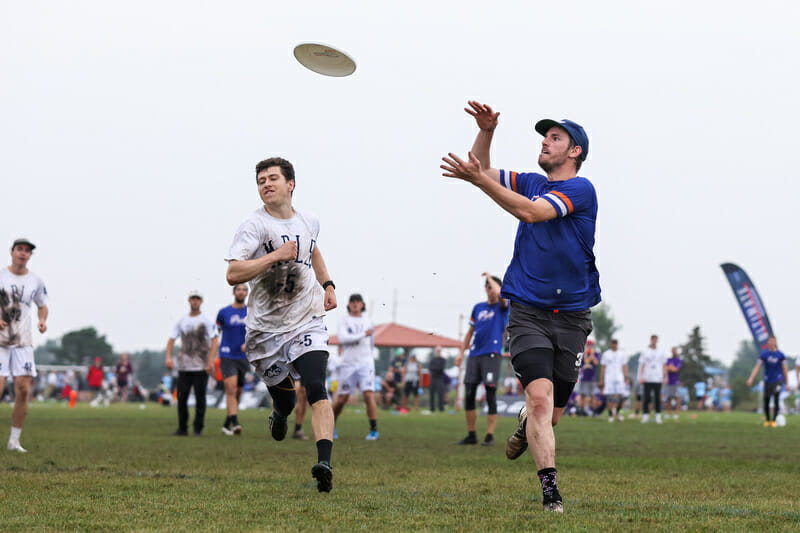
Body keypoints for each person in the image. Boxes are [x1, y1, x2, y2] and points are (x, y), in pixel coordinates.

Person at [442, 101, 598, 512]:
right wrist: (486, 132)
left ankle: (527, 427)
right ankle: (551, 494)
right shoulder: (530, 180)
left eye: (555, 138)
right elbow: (484, 169)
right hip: (527, 309)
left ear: (574, 152)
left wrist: (480, 180)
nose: (545, 142)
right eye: (545, 137)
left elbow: (530, 213)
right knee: (542, 400)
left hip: (573, 316)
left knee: (552, 411)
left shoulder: (580, 190)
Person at [225, 156, 337, 492]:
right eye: (261, 181)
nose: (266, 184)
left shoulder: (309, 221)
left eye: (273, 178)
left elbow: (312, 249)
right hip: (265, 332)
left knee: (317, 387)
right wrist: (274, 255)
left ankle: (324, 462)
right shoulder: (253, 226)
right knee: (287, 400)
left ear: (290, 184)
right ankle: (280, 412)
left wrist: (328, 284)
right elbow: (233, 273)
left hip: (306, 320)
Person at [0, 238, 49, 453]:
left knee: (22, 389)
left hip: (23, 342)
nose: (23, 253)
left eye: (27, 251)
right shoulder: (1, 276)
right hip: (1, 340)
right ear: (12, 252)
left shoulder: (35, 281)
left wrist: (42, 320)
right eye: (20, 249)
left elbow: (43, 305)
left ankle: (14, 440)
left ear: (30, 256)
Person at [455, 273, 509, 446]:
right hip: (475, 355)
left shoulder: (502, 308)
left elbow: (501, 295)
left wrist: (490, 277)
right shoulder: (478, 308)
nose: (491, 291)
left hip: (492, 354)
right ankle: (471, 434)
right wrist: (461, 353)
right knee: (469, 393)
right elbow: (470, 333)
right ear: (485, 289)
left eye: (493, 287)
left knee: (490, 392)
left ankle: (489, 435)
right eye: (489, 287)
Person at [165, 290, 218, 436]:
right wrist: (169, 357)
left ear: (201, 301)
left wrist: (210, 361)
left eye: (197, 299)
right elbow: (171, 338)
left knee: (200, 398)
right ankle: (182, 428)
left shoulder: (207, 320)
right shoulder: (182, 321)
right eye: (193, 299)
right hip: (184, 367)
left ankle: (198, 428)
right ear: (189, 301)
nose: (195, 301)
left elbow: (215, 340)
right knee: (182, 398)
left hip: (201, 366)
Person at [332, 294, 379, 440]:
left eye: (358, 302)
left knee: (368, 394)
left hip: (366, 363)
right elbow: (343, 339)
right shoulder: (344, 320)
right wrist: (363, 334)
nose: (355, 304)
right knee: (342, 399)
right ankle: (330, 425)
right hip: (348, 364)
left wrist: (368, 356)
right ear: (349, 304)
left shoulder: (368, 321)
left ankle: (373, 430)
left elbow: (371, 344)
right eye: (352, 302)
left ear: (362, 305)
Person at [208, 283, 249, 436]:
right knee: (230, 389)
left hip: (243, 357)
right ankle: (236, 423)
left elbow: (257, 332)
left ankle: (227, 423)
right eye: (239, 289)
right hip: (227, 355)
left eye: (244, 289)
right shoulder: (224, 312)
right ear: (234, 292)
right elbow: (215, 334)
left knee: (238, 392)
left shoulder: (250, 312)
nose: (241, 292)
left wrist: (249, 343)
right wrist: (212, 358)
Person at [746, 335, 789, 427]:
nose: (771, 343)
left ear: (775, 342)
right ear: (768, 343)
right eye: (770, 341)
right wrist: (751, 378)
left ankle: (774, 421)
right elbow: (757, 367)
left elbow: (785, 369)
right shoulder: (764, 355)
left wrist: (787, 382)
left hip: (778, 380)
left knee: (776, 398)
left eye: (773, 341)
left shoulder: (780, 355)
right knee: (766, 400)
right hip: (767, 380)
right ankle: (768, 420)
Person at [638, 335, 667, 424]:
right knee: (646, 397)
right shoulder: (645, 352)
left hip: (658, 378)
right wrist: (641, 376)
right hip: (647, 378)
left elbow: (664, 365)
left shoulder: (661, 352)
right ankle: (645, 415)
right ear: (651, 340)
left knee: (658, 398)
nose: (654, 341)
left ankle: (658, 415)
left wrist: (666, 376)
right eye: (653, 340)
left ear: (657, 341)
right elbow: (642, 365)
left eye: (655, 340)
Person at [598, 339, 629, 422]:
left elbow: (624, 366)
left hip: (619, 378)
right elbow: (603, 367)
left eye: (615, 343)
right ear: (610, 344)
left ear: (617, 344)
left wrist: (626, 377)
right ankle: (610, 414)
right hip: (609, 378)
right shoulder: (606, 354)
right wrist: (601, 379)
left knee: (621, 397)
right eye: (613, 343)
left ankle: (619, 412)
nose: (614, 345)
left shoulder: (622, 354)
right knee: (610, 397)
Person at [575, 339, 599, 417]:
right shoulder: (583, 354)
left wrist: (591, 355)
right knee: (583, 394)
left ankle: (594, 411)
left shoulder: (596, 353)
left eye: (590, 345)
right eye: (588, 345)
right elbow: (580, 365)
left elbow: (596, 363)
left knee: (593, 395)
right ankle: (582, 411)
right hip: (584, 377)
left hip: (592, 378)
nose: (589, 346)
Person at [664, 347, 682, 420]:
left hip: (675, 382)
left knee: (676, 397)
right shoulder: (668, 360)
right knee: (668, 398)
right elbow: (665, 368)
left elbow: (675, 369)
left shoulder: (678, 360)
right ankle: (668, 414)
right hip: (668, 381)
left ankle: (676, 414)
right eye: (673, 351)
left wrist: (670, 367)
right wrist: (670, 368)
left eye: (675, 351)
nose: (674, 352)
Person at [428, 346, 447, 412]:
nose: (438, 352)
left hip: (440, 378)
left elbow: (441, 368)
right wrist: (436, 368)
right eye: (437, 351)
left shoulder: (443, 360)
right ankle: (432, 408)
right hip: (433, 378)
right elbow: (430, 368)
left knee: (440, 393)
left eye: (439, 351)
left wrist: (435, 368)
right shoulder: (432, 360)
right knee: (432, 393)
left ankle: (441, 408)